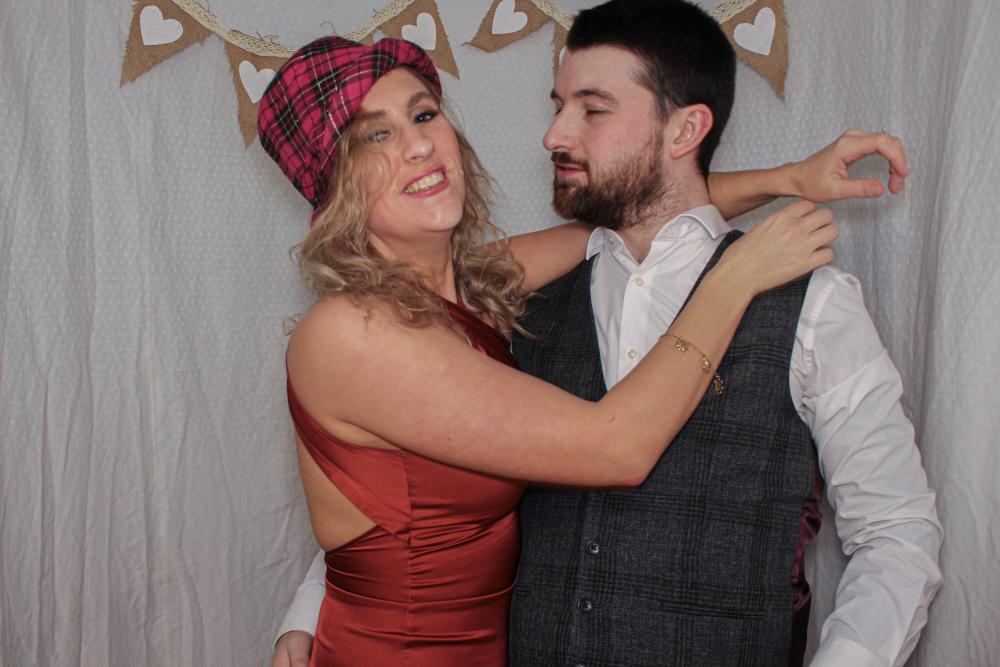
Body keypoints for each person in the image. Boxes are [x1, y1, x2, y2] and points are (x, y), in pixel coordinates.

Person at [272, 2, 942, 667]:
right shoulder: (488, 309)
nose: (553, 135)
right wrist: (732, 278)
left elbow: (896, 534)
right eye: (373, 136)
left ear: (686, 130)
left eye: (591, 110)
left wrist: (788, 180)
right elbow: (406, 505)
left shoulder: (479, 292)